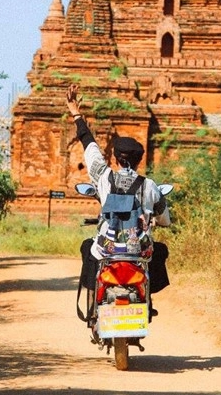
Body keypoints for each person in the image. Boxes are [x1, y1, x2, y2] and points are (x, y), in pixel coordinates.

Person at [66, 84, 172, 312]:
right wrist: (157, 220)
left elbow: (89, 147)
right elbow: (164, 218)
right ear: (139, 161)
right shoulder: (150, 186)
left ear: (114, 159)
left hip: (107, 248)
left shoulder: (103, 178)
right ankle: (147, 301)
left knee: (88, 248)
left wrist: (76, 114)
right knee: (159, 250)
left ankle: (93, 306)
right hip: (139, 251)